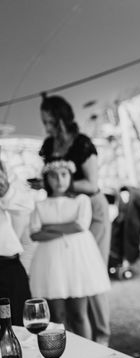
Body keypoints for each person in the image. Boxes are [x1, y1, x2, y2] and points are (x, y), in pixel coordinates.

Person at [38, 95, 111, 345]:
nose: (46, 127)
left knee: (92, 272)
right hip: (65, 211)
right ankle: (75, 336)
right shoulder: (49, 145)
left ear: (62, 118)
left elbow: (91, 183)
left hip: (92, 206)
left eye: (50, 121)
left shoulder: (82, 144)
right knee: (69, 274)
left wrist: (62, 181)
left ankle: (101, 337)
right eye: (44, 122)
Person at [29, 160, 110, 337]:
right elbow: (34, 234)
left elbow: (80, 225)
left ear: (70, 176)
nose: (59, 180)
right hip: (51, 263)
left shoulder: (81, 200)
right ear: (46, 179)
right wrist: (67, 228)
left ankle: (86, 352)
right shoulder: (41, 206)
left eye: (64, 175)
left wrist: (48, 228)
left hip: (77, 261)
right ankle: (60, 353)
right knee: (57, 315)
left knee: (78, 313)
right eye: (53, 176)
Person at [0, 160, 34, 325]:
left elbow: (27, 205)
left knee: (20, 326)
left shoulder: (4, 169)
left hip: (7, 266)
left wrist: (7, 192)